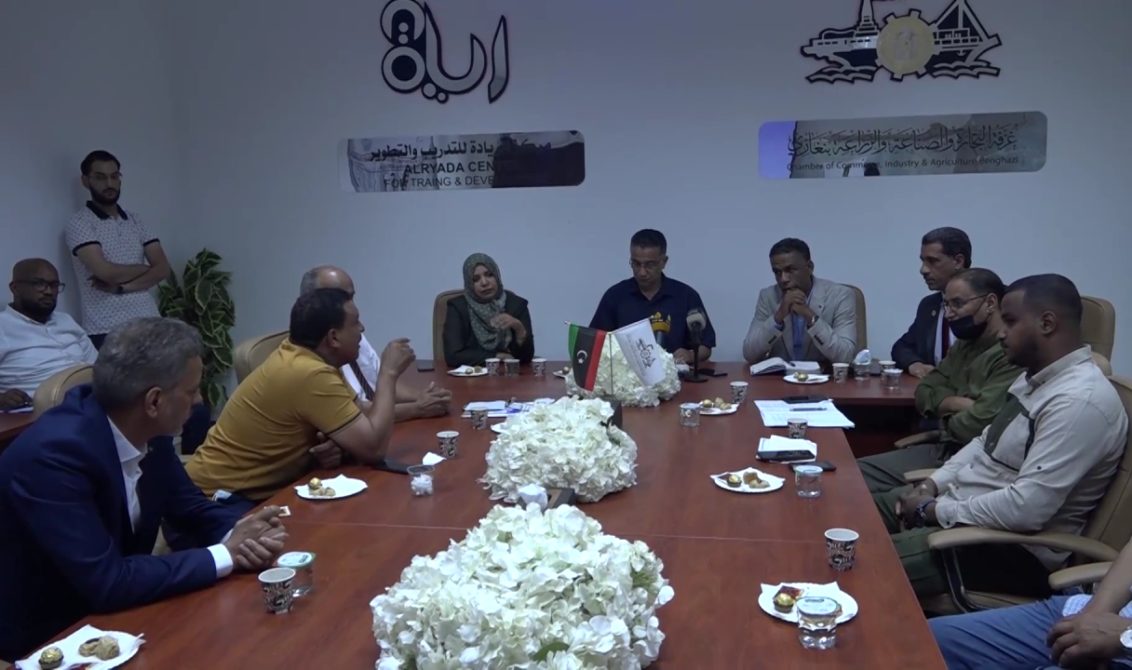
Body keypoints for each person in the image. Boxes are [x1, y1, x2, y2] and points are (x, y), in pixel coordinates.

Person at [0, 318, 288, 662]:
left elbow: (191, 508)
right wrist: (228, 554)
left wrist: (247, 534)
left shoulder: (147, 430)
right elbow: (107, 582)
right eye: (192, 390)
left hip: (119, 614)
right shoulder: (52, 458)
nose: (199, 401)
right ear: (153, 402)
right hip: (52, 638)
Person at [872, 274, 1126, 599]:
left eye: (1010, 321)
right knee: (857, 510)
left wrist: (933, 510)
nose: (1001, 332)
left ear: (1047, 323)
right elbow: (984, 443)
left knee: (858, 562)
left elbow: (1026, 509)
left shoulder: (1078, 401)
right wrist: (932, 485)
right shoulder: (1034, 377)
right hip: (964, 512)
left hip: (1007, 550)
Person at [186, 288, 415, 511]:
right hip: (216, 498)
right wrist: (388, 374)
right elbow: (373, 448)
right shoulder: (309, 372)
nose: (362, 329)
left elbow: (360, 413)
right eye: (355, 323)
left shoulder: (309, 357)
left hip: (251, 492)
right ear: (333, 337)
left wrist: (418, 408)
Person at [858, 269, 1021, 493]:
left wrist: (942, 415)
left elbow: (978, 426)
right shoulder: (965, 344)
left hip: (973, 462)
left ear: (990, 303)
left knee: (860, 491)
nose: (949, 314)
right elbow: (925, 390)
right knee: (851, 474)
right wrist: (954, 403)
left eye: (957, 304)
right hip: (945, 448)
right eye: (946, 305)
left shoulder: (1009, 354)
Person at [931, 536, 1132, 670]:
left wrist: (1124, 637)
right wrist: (1093, 616)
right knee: (929, 642)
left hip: (1124, 641)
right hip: (1100, 613)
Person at [300, 265, 450, 420]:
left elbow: (380, 385)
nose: (351, 305)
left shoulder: (352, 334)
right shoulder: (312, 353)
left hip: (376, 424)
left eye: (351, 297)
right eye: (341, 299)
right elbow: (356, 413)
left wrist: (423, 397)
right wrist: (418, 408)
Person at [64, 150, 172, 349]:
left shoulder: (136, 220)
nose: (109, 184)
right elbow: (106, 272)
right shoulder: (80, 223)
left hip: (151, 321)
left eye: (114, 176)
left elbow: (163, 269)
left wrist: (122, 288)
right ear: (85, 181)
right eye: (100, 177)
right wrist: (145, 269)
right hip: (108, 329)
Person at [589, 229, 716, 363]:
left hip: (675, 372)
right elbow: (594, 342)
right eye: (636, 264)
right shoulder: (615, 296)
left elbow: (706, 346)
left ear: (664, 262)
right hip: (626, 372)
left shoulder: (686, 296)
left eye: (650, 265)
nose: (642, 272)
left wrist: (690, 355)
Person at [742, 238, 857, 365]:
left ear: (810, 267)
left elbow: (845, 356)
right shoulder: (768, 296)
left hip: (823, 375)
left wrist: (809, 315)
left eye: (790, 270)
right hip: (781, 376)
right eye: (777, 272)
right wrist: (778, 317)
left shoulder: (840, 295)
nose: (783, 279)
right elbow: (749, 354)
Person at [0, 259, 95, 410]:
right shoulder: (3, 327)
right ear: (15, 288)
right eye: (39, 284)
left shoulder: (66, 320)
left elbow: (97, 365)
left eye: (54, 285)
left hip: (92, 402)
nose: (49, 291)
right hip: (39, 413)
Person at [892, 227, 972, 379]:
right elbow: (902, 347)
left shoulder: (993, 303)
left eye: (933, 261)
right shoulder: (929, 305)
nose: (923, 270)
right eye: (923, 261)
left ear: (958, 261)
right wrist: (915, 364)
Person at [443, 253, 535, 367]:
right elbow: (453, 356)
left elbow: (526, 358)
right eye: (476, 279)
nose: (484, 283)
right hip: (470, 376)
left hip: (509, 375)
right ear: (469, 284)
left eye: (489, 275)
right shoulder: (458, 307)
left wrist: (519, 328)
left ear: (497, 276)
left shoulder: (516, 305)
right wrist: (497, 356)